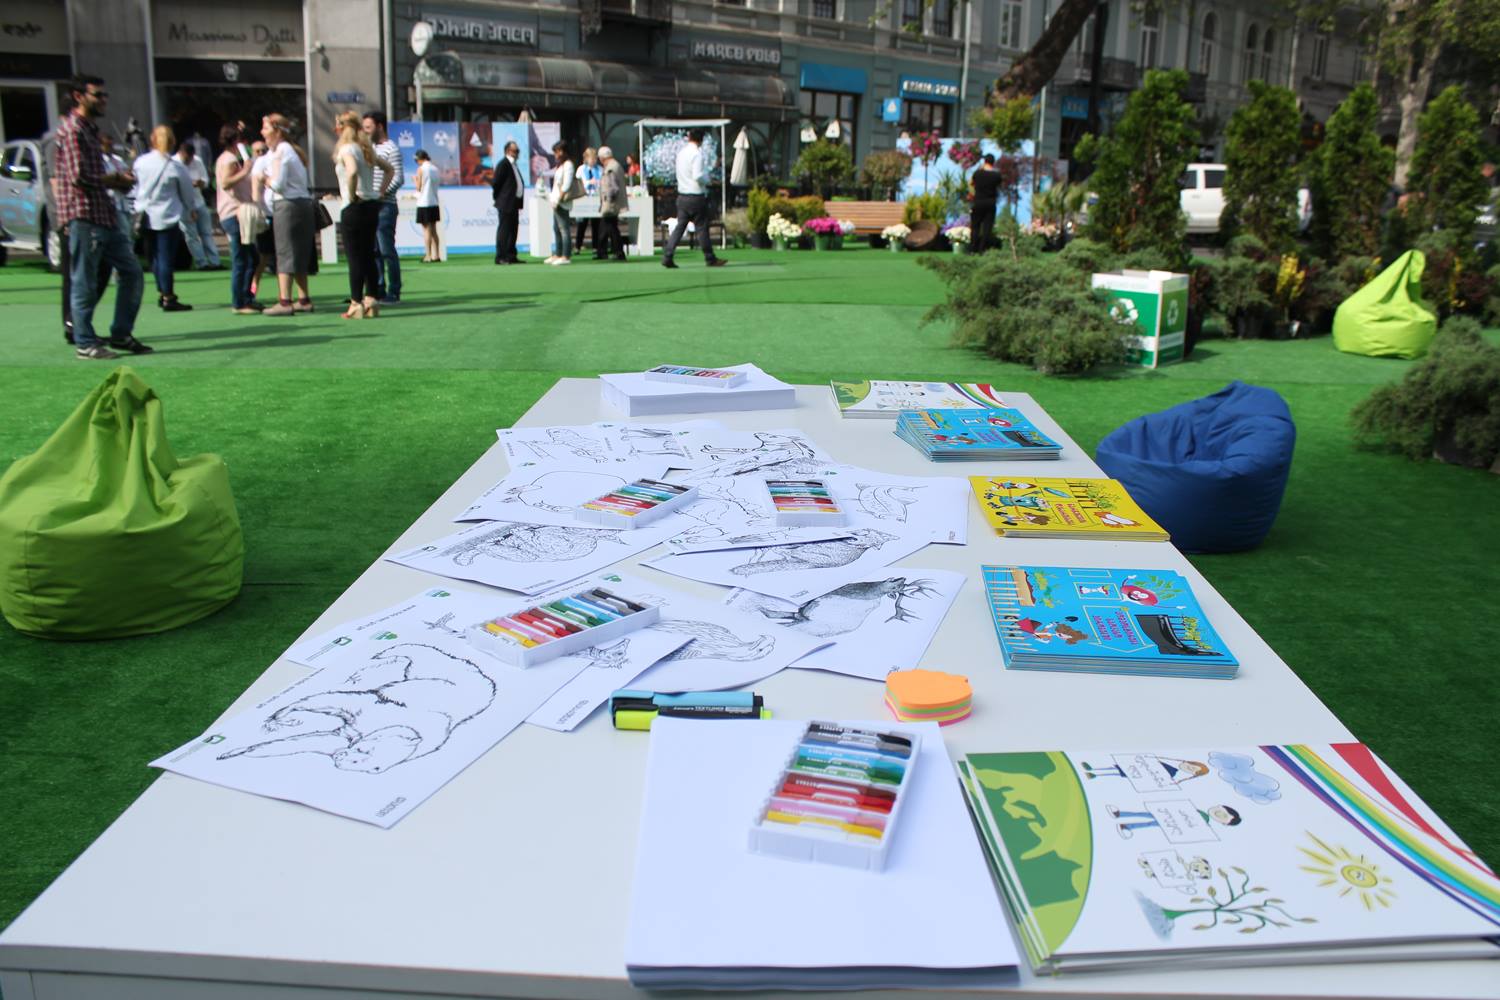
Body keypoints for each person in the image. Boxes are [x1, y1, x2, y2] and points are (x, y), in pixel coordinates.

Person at [53, 74, 148, 359]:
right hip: (84, 216)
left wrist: (118, 181)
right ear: (79, 96)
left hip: (103, 213)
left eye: (104, 95)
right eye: (98, 95)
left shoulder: (89, 130)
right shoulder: (73, 131)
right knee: (84, 281)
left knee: (132, 272)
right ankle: (84, 341)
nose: (104, 100)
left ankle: (120, 333)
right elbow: (78, 176)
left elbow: (91, 175)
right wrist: (116, 179)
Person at [132, 124, 199, 312]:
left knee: (153, 257)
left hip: (145, 215)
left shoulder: (141, 162)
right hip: (167, 216)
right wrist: (191, 209)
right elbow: (187, 192)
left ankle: (162, 291)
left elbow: (135, 185)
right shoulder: (175, 167)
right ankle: (168, 295)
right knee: (165, 258)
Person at [333, 110, 393, 319]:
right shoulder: (365, 148)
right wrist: (380, 191)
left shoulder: (346, 149)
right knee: (368, 255)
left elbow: (351, 172)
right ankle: (372, 299)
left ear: (342, 128)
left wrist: (351, 195)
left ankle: (356, 302)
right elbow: (389, 169)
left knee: (354, 257)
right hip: (371, 205)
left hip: (354, 206)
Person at [259, 113, 316, 316]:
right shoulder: (291, 150)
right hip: (301, 205)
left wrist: (264, 179)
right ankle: (303, 299)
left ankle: (284, 301)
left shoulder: (281, 152)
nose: (262, 132)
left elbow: (278, 184)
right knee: (298, 253)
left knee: (284, 253)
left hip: (287, 206)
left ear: (277, 131)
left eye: (266, 128)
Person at [662, 128, 723, 269]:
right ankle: (710, 258)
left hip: (682, 195)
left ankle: (668, 255)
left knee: (680, 227)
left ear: (689, 138)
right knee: (701, 228)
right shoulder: (697, 154)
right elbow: (698, 175)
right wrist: (709, 180)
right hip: (695, 195)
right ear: (701, 140)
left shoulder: (681, 153)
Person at [216, 124, 261, 314]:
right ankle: (239, 302)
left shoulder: (227, 158)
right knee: (242, 259)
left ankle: (246, 297)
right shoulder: (230, 159)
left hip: (235, 212)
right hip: (234, 212)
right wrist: (245, 170)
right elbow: (225, 182)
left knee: (251, 258)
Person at [362, 110, 403, 304]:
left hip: (385, 206)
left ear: (379, 127)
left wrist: (381, 192)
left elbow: (398, 177)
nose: (365, 131)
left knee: (386, 250)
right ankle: (378, 289)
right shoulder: (368, 148)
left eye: (368, 127)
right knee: (374, 251)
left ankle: (394, 290)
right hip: (370, 205)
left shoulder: (391, 149)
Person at [175, 141, 221, 270]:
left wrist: (200, 183)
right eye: (187, 159)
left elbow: (205, 181)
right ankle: (201, 263)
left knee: (206, 233)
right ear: (181, 153)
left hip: (199, 201)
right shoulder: (174, 163)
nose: (189, 161)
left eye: (191, 158)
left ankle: (215, 261)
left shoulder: (197, 161)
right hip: (183, 204)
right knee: (191, 235)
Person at [248, 139, 276, 300]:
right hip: (264, 214)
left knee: (281, 255)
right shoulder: (257, 165)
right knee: (262, 256)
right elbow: (255, 190)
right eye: (257, 151)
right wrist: (258, 210)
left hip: (279, 213)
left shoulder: (275, 158)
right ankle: (253, 287)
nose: (260, 153)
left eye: (262, 150)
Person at [491, 140, 525, 265]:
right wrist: (500, 198)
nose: (517, 153)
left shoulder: (513, 165)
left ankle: (511, 255)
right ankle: (500, 256)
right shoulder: (503, 164)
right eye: (515, 151)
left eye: (518, 151)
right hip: (505, 202)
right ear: (508, 151)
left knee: (513, 230)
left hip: (514, 203)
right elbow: (496, 183)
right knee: (504, 230)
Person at [547, 141, 578, 265]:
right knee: (556, 228)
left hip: (562, 201)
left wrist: (558, 199)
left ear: (564, 152)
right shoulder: (560, 165)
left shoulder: (568, 165)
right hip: (556, 200)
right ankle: (558, 254)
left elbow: (566, 184)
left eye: (558, 151)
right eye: (555, 152)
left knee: (564, 229)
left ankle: (566, 255)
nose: (556, 154)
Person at [596, 145, 629, 262]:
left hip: (610, 202)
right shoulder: (616, 165)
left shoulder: (610, 168)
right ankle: (603, 251)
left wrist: (608, 199)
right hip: (613, 202)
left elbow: (613, 187)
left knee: (611, 227)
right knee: (607, 227)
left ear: (602, 158)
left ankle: (617, 252)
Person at [970, 154, 1001, 254]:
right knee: (987, 227)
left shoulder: (977, 173)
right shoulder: (996, 175)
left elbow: (972, 183)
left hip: (978, 201)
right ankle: (982, 249)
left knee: (975, 226)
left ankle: (973, 249)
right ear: (993, 163)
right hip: (990, 202)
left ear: (985, 162)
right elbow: (998, 185)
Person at [414, 149, 442, 262]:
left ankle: (428, 255)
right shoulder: (435, 169)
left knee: (426, 230)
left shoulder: (421, 169)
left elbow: (418, 187)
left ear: (419, 159)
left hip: (424, 202)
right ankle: (437, 255)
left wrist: (415, 180)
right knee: (434, 230)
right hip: (434, 202)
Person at [574, 146, 601, 256]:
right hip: (583, 199)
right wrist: (588, 182)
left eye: (595, 158)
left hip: (596, 198)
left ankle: (595, 247)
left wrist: (596, 183)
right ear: (586, 158)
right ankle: (577, 246)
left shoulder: (600, 169)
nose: (593, 160)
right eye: (591, 158)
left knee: (596, 224)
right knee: (582, 224)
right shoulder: (581, 169)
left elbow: (602, 182)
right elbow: (577, 183)